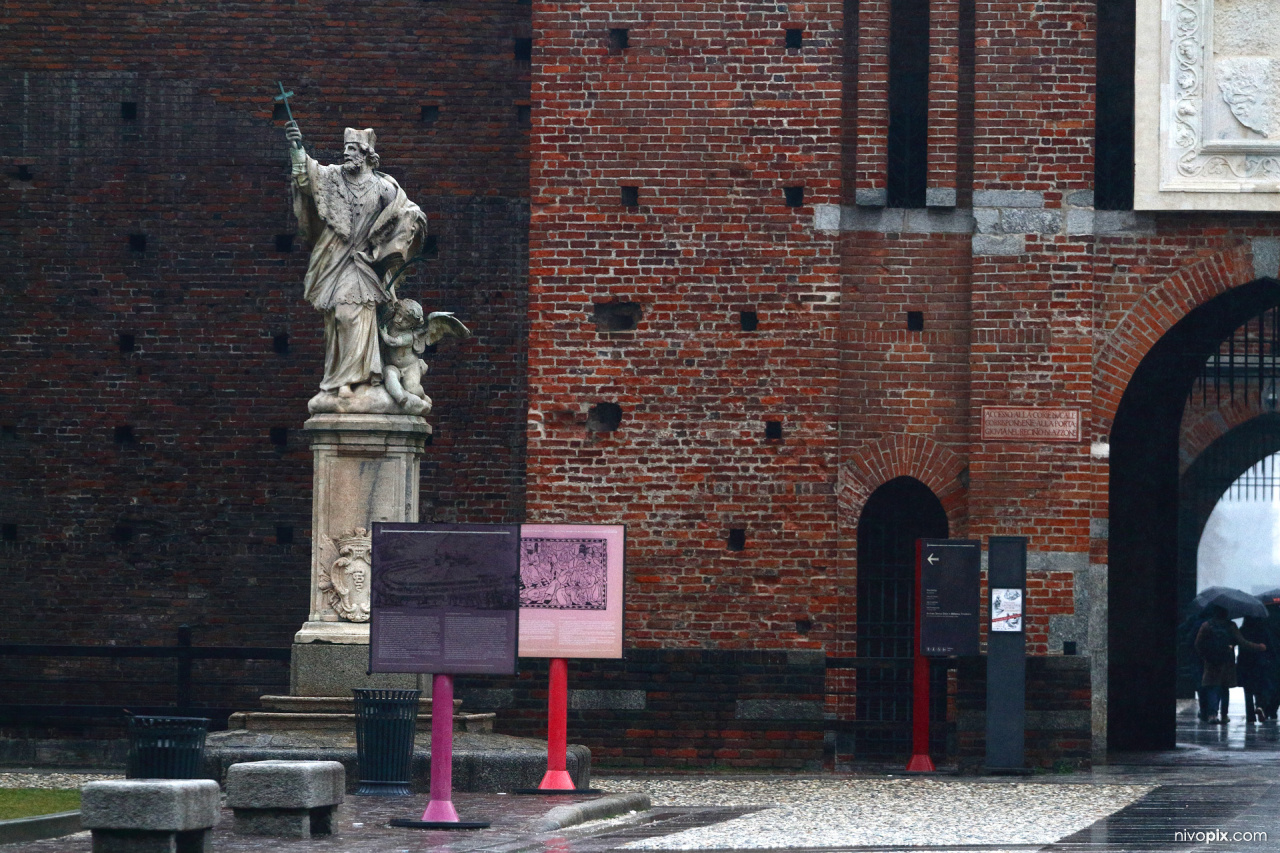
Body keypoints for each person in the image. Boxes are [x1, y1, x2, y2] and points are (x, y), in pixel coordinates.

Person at [284, 121, 427, 409]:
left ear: (366, 155)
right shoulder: (334, 178)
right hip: (334, 257)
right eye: (345, 149)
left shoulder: (383, 187)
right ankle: (340, 380)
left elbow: (408, 210)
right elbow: (306, 176)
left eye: (352, 150)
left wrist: (398, 237)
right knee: (338, 318)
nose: (346, 154)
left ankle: (362, 379)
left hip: (365, 262)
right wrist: (297, 147)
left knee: (355, 314)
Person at [1195, 605, 1267, 723]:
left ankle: (1212, 715)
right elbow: (1242, 642)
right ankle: (1224, 715)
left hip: (1211, 662)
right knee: (1224, 689)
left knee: (1213, 687)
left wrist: (1205, 656)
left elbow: (1198, 644)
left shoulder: (1207, 625)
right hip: (1227, 662)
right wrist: (1259, 647)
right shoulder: (1231, 625)